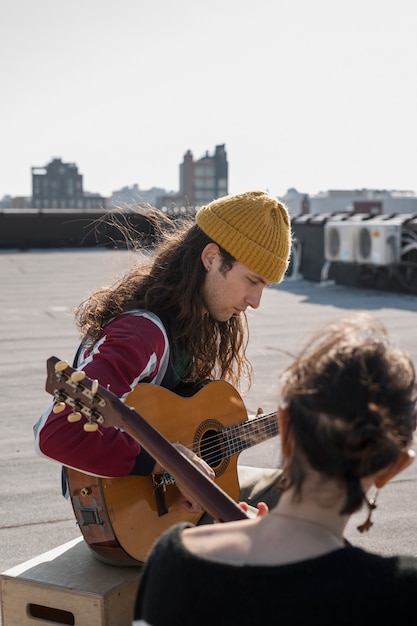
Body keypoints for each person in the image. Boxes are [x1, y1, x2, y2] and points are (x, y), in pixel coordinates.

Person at [33, 191, 292, 549]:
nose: (256, 302)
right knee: (300, 503)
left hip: (167, 506)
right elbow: (56, 434)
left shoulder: (191, 322)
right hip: (125, 515)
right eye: (252, 281)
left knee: (279, 501)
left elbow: (180, 424)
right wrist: (166, 466)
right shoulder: (142, 333)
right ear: (212, 257)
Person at [133, 312, 417, 626]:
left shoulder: (174, 560)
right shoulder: (400, 593)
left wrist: (262, 542)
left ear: (286, 428)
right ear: (395, 466)